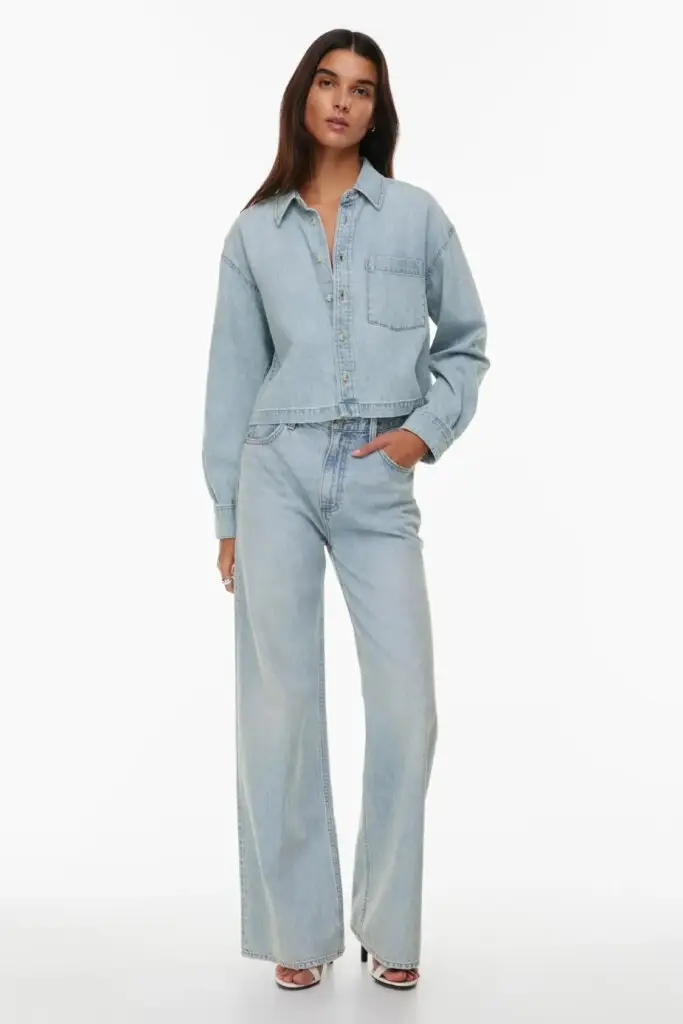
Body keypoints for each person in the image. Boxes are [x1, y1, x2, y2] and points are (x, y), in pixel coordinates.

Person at [201, 28, 489, 992]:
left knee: (407, 710)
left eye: (361, 90)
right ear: (302, 96)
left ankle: (386, 919)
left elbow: (465, 344)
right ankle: (300, 927)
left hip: (376, 477)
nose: (341, 101)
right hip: (274, 470)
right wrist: (227, 513)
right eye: (327, 83)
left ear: (377, 110)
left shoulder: (416, 217)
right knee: (279, 710)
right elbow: (231, 377)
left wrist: (420, 434)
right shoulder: (254, 232)